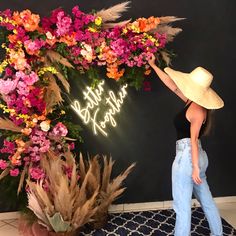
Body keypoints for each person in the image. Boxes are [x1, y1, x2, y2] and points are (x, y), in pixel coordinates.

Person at [148, 55, 224, 236]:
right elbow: (171, 84)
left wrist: (195, 168)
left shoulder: (197, 110)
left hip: (188, 158)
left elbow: (193, 141)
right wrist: (153, 65)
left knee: (182, 206)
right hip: (196, 157)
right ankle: (218, 233)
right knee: (207, 201)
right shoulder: (193, 102)